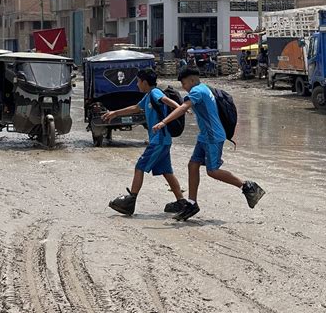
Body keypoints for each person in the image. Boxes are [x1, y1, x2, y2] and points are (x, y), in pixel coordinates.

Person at [153, 66, 265, 221]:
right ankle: (192, 203)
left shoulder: (197, 91)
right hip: (204, 136)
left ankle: (247, 186)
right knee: (193, 165)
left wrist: (164, 122)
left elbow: (184, 107)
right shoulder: (204, 88)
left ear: (192, 80)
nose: (184, 88)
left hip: (213, 136)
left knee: (212, 171)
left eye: (184, 84)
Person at [102, 68, 186, 216]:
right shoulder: (148, 96)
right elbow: (135, 108)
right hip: (163, 140)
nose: (137, 84)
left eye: (138, 81)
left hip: (159, 140)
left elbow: (166, 100)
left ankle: (130, 202)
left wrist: (180, 108)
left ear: (145, 83)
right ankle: (181, 202)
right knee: (167, 172)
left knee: (139, 167)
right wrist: (115, 113)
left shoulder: (155, 93)